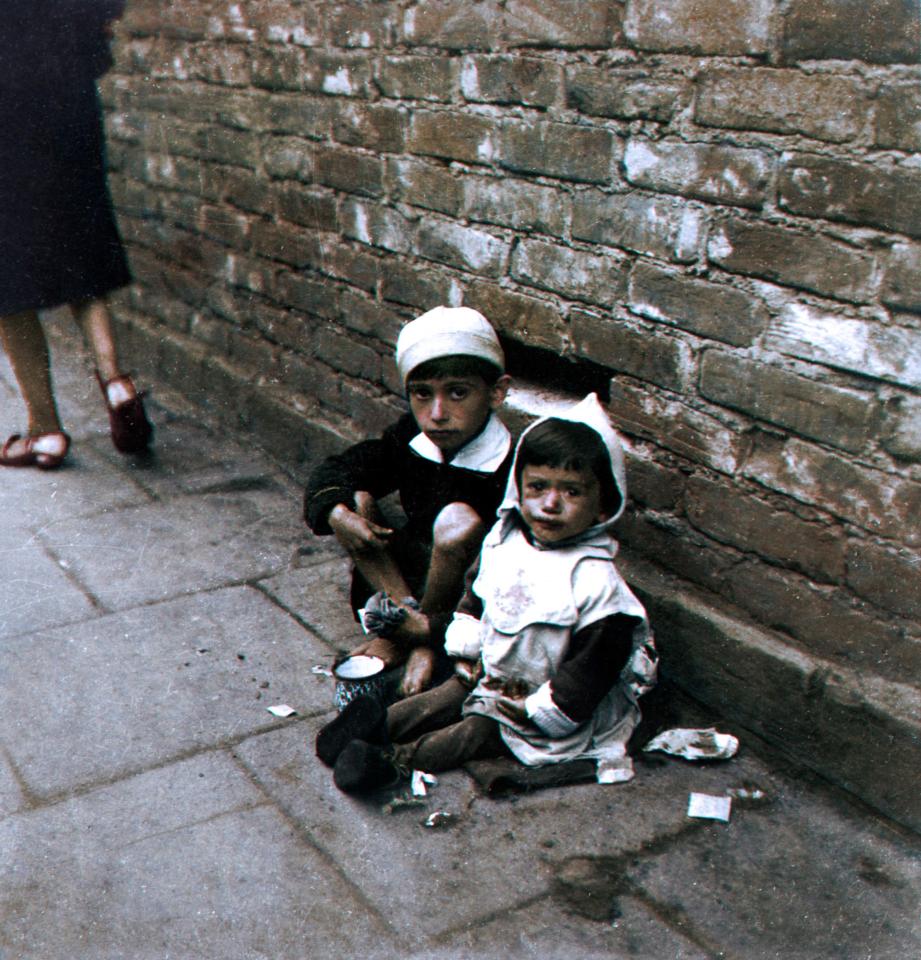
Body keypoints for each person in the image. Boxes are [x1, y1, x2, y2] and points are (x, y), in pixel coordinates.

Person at [315, 393, 658, 793]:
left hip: (537, 699)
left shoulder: (598, 587)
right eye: (538, 487)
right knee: (446, 695)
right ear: (519, 488)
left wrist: (540, 709)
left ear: (603, 506)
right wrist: (468, 647)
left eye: (572, 492)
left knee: (475, 731)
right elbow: (476, 595)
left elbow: (589, 671)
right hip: (491, 671)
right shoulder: (505, 542)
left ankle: (394, 761)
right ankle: (377, 724)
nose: (550, 504)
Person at [305, 306, 513, 697]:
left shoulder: (511, 464)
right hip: (407, 580)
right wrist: (337, 512)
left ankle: (419, 640)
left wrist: (439, 630)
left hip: (464, 601)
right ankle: (406, 630)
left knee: (458, 521)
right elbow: (339, 468)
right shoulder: (413, 438)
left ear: (496, 392)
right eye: (422, 394)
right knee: (355, 498)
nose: (437, 414)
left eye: (457, 392)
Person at [0, 1, 152, 470]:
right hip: (68, 101)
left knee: (8, 281)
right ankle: (115, 382)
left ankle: (45, 431)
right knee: (82, 250)